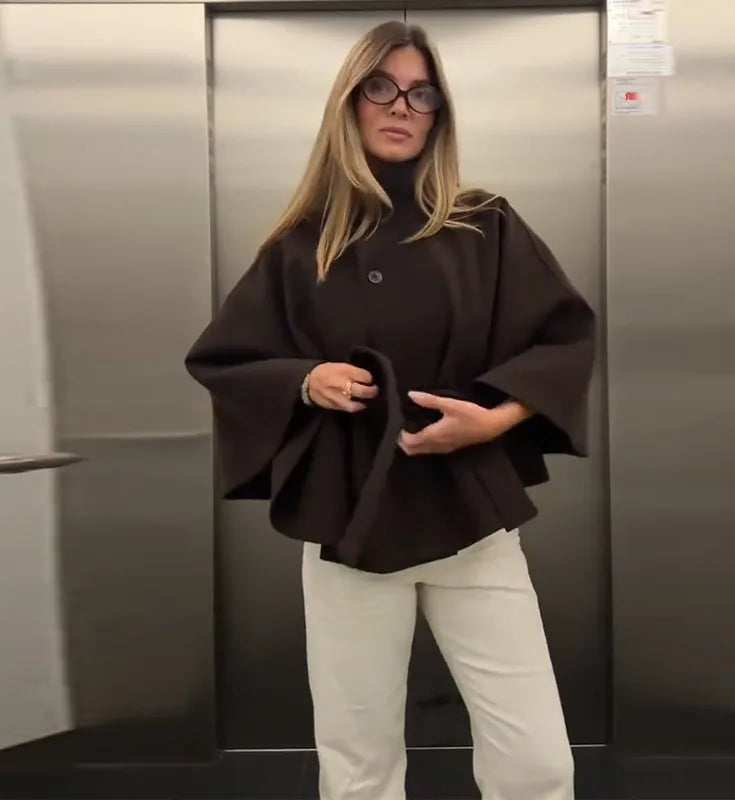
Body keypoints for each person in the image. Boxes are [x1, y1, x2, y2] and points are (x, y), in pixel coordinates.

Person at [185, 20, 595, 800]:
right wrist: (309, 380)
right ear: (350, 102)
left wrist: (498, 419)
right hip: (350, 519)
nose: (401, 106)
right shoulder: (302, 247)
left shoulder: (484, 225)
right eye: (381, 87)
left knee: (537, 759)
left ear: (439, 114)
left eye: (421, 93)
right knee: (358, 759)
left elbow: (564, 338)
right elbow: (226, 359)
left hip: (471, 513)